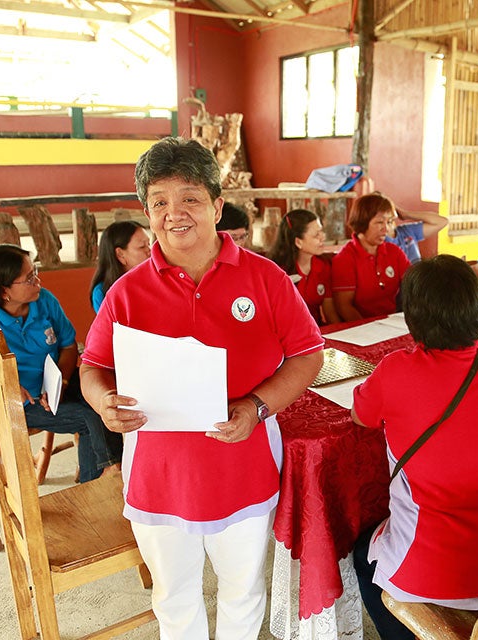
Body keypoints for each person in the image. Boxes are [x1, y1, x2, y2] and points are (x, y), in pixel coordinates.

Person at [79, 136, 324, 639]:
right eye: (160, 202)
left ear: (216, 205)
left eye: (189, 198)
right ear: (148, 213)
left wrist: (257, 406)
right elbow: (92, 366)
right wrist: (104, 402)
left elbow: (308, 354)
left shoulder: (266, 279)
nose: (175, 213)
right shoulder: (126, 293)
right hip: (159, 476)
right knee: (173, 596)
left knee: (243, 591)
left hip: (244, 467)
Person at [352, 255, 478, 639]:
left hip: (439, 565)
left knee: (362, 554)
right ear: (476, 311)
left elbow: (361, 415)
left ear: (411, 318)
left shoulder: (396, 370)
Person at [0, 244, 120, 483]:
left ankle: (113, 474)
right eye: (29, 279)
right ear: (3, 289)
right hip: (22, 402)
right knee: (90, 417)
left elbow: (68, 346)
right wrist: (4, 384)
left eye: (35, 273)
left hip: (54, 385)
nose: (37, 282)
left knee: (109, 395)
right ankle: (101, 483)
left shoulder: (44, 301)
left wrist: (63, 380)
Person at [332, 193, 410, 321]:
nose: (386, 229)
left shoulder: (394, 252)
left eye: (389, 222)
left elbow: (414, 285)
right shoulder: (346, 259)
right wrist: (367, 330)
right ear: (362, 222)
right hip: (361, 327)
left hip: (391, 322)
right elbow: (344, 306)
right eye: (379, 222)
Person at [267, 208, 340, 325]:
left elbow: (329, 311)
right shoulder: (278, 272)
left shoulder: (323, 266)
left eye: (321, 231)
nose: (323, 237)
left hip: (317, 332)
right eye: (316, 235)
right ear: (298, 242)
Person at [89, 220, 151, 313]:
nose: (150, 250)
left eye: (149, 244)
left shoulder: (157, 280)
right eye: (142, 247)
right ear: (120, 254)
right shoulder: (102, 292)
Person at [384, 202, 448, 264]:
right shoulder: (378, 241)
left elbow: (442, 222)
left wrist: (406, 214)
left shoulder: (406, 231)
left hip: (418, 273)